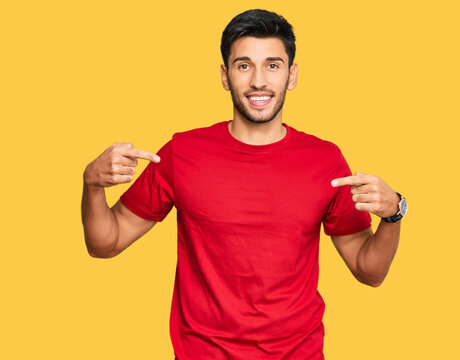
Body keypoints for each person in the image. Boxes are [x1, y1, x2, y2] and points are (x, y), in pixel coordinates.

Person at [81, 8, 407, 360]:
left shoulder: (325, 160)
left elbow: (368, 271)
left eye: (272, 65)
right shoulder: (182, 152)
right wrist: (91, 185)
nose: (258, 82)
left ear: (291, 75)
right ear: (225, 76)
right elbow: (106, 244)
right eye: (243, 65)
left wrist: (394, 213)